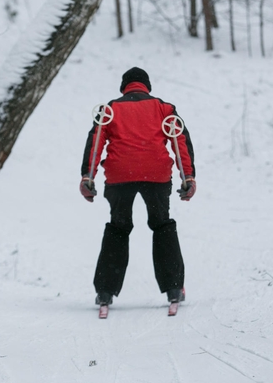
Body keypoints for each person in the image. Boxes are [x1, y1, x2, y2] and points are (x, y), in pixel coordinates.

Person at [80, 66, 196, 308]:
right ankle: (174, 288)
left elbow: (96, 141)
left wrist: (87, 178)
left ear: (123, 88)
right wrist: (188, 178)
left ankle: (105, 291)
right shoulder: (164, 108)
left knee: (118, 227)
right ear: (147, 87)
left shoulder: (109, 109)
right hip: (156, 173)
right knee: (162, 224)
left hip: (119, 174)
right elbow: (179, 140)